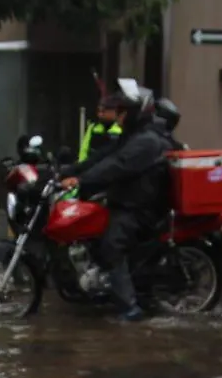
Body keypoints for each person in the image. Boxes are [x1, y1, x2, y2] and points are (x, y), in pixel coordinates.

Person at [60, 80, 168, 322]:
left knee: (112, 245)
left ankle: (130, 308)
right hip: (125, 202)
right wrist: (68, 171)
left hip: (140, 209)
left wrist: (80, 180)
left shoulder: (146, 141)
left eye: (121, 111)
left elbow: (116, 166)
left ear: (134, 114)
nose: (117, 116)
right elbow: (102, 156)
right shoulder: (131, 136)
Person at [78, 95, 125, 162]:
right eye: (99, 111)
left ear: (113, 112)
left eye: (103, 112)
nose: (100, 114)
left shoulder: (121, 129)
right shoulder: (93, 127)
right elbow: (84, 149)